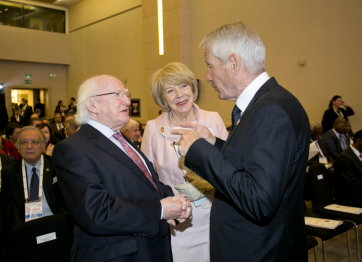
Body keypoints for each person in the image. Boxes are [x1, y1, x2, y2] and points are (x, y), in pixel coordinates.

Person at [173, 22, 310, 261]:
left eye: (210, 66)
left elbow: (259, 199)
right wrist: (214, 143)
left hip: (260, 252)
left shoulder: (271, 111)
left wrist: (199, 150)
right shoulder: (268, 103)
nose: (207, 76)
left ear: (234, 63)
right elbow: (250, 166)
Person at [52, 75, 192, 262]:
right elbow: (96, 212)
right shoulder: (72, 149)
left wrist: (174, 201)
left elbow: (146, 184)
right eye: (117, 94)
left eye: (126, 94)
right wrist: (159, 210)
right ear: (93, 105)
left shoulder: (120, 139)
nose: (127, 100)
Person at [141, 62, 228, 262]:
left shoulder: (213, 120)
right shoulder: (153, 128)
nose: (179, 95)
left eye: (183, 86)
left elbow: (229, 166)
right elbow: (147, 180)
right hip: (178, 222)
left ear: (192, 87)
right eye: (170, 90)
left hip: (215, 215)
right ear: (163, 98)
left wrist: (208, 188)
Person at [1, 126, 67, 259]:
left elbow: (66, 201)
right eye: (24, 142)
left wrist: (55, 225)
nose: (29, 146)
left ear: (43, 145)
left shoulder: (57, 167)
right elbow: (9, 208)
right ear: (18, 146)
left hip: (54, 226)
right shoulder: (9, 173)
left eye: (34, 142)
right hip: (24, 228)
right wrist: (25, 230)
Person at [334, 130, 362, 207]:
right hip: (353, 195)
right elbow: (351, 181)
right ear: (359, 141)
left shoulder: (360, 152)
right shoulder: (345, 157)